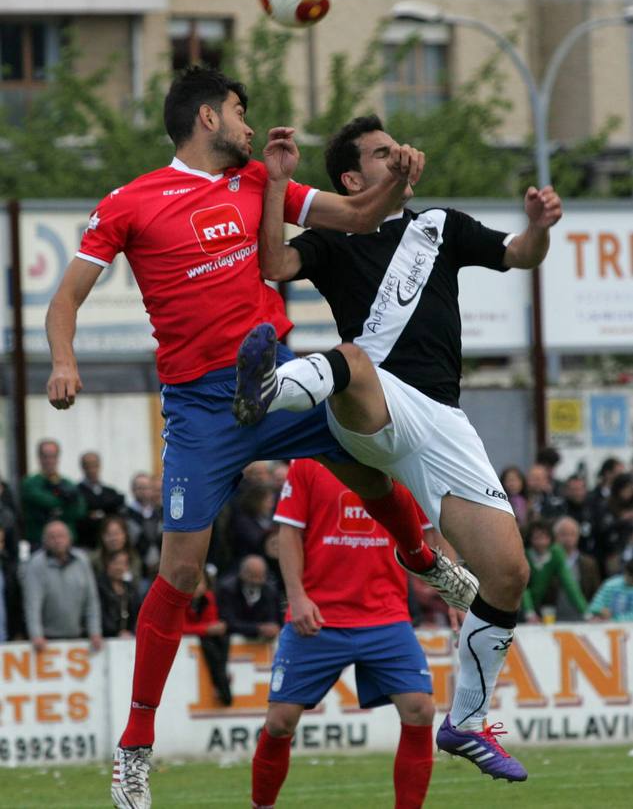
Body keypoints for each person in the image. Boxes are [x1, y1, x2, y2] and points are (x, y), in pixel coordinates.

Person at [44, 68, 457, 809]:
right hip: (200, 408)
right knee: (178, 574)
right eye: (240, 111)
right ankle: (134, 750)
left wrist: (395, 181)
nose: (249, 122)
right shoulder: (130, 202)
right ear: (208, 117)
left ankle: (424, 559)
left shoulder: (262, 186)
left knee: (367, 458)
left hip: (278, 387)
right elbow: (66, 296)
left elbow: (359, 215)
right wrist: (66, 360)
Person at [234, 114, 564, 782]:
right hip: (371, 406)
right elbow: (273, 264)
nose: (399, 155)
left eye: (395, 147)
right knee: (354, 358)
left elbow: (519, 255)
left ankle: (466, 723)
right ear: (353, 178)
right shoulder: (332, 237)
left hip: (441, 422)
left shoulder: (439, 225)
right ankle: (269, 389)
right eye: (381, 153)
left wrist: (540, 226)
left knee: (507, 576)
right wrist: (274, 181)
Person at [251, 459, 434, 809]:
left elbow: (431, 532)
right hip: (317, 617)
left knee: (420, 710)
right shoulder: (308, 462)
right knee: (279, 722)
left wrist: (449, 587)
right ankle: (262, 806)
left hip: (385, 615)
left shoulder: (397, 457)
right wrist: (298, 597)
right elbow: (288, 533)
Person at [21, 520, 102, 652]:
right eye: (52, 537)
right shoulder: (36, 564)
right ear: (44, 541)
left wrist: (95, 632)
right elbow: (32, 604)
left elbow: (91, 601)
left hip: (78, 637)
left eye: (61, 536)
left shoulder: (82, 561)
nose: (57, 540)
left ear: (69, 538)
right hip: (47, 639)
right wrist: (36, 635)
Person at [21, 439, 86, 546]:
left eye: (53, 456)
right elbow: (46, 501)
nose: (49, 460)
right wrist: (66, 501)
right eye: (45, 456)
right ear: (39, 458)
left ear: (58, 458)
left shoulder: (68, 483)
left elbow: (80, 510)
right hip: (39, 542)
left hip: (67, 543)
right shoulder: (30, 483)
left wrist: (56, 509)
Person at [522, 519, 588, 622]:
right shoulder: (523, 555)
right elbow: (523, 587)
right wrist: (529, 613)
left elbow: (569, 584)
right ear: (530, 539)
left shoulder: (556, 553)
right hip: (517, 607)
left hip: (538, 608)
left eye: (545, 538)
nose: (541, 542)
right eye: (537, 538)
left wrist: (586, 613)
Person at [183, 568, 232, 706]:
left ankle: (221, 681)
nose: (197, 587)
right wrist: (206, 629)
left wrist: (210, 629)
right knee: (209, 644)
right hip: (195, 639)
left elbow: (210, 621)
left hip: (207, 638)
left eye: (200, 583)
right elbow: (180, 627)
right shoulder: (180, 602)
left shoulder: (209, 598)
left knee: (221, 640)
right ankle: (222, 682)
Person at [216, 554, 282, 641]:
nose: (256, 581)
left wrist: (272, 628)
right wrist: (258, 628)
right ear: (242, 573)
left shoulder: (270, 591)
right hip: (232, 640)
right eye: (252, 576)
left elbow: (275, 618)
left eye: (260, 577)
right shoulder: (227, 590)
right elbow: (227, 621)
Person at [553, 516, 601, 620]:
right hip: (554, 617)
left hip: (583, 618)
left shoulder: (589, 563)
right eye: (563, 534)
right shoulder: (550, 561)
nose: (568, 538)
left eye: (572, 534)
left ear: (578, 536)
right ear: (556, 537)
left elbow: (595, 592)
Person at [76, 451, 125, 550]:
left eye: (94, 465)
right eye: (87, 465)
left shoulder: (110, 491)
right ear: (82, 467)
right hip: (87, 545)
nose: (91, 469)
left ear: (99, 466)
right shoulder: (76, 492)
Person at [97, 550, 143, 638]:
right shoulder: (98, 587)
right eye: (115, 563)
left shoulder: (131, 589)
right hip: (105, 638)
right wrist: (116, 633)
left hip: (129, 637)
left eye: (123, 563)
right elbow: (100, 615)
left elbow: (138, 612)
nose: (119, 567)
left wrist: (133, 631)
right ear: (107, 564)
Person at [0, 524, 24, 642]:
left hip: (5, 640)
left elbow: (16, 603)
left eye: (1, 541)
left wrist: (18, 631)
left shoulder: (9, 570)